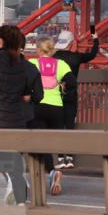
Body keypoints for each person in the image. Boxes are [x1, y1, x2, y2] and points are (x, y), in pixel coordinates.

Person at [0, 25, 43, 205]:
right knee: (16, 169)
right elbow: (26, 95)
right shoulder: (24, 67)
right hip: (16, 122)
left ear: (0, 41)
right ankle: (22, 204)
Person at [29, 36, 75, 196]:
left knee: (41, 142)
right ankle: (55, 170)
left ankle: (50, 172)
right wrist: (63, 89)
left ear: (39, 50)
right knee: (54, 142)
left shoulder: (33, 64)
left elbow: (24, 81)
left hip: (38, 106)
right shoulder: (61, 64)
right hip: (57, 108)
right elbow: (72, 82)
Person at [53, 27, 99, 169]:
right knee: (70, 125)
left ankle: (60, 158)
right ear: (71, 43)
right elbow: (92, 55)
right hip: (71, 95)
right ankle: (70, 157)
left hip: (56, 94)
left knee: (59, 126)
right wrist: (95, 38)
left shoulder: (53, 58)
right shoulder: (76, 57)